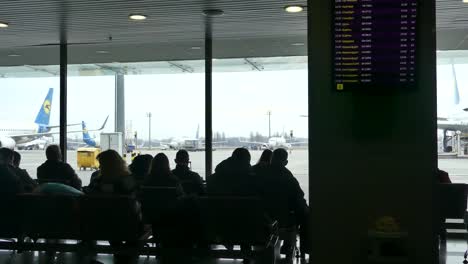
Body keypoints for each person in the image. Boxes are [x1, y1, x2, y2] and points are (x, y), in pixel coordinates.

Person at [258, 148, 308, 257]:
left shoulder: (258, 175)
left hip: (260, 219)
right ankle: (302, 249)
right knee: (305, 214)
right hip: (282, 221)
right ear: (285, 162)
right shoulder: (289, 178)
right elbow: (299, 200)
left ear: (271, 159)